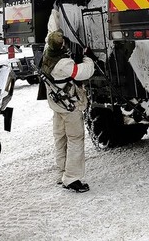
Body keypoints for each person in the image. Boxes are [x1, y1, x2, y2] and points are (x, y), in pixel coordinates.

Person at [41, 30, 96, 192]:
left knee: (60, 137)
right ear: (61, 45)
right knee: (75, 138)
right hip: (69, 106)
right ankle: (72, 178)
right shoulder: (63, 64)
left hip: (57, 106)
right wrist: (88, 58)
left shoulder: (47, 54)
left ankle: (62, 173)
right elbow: (84, 72)